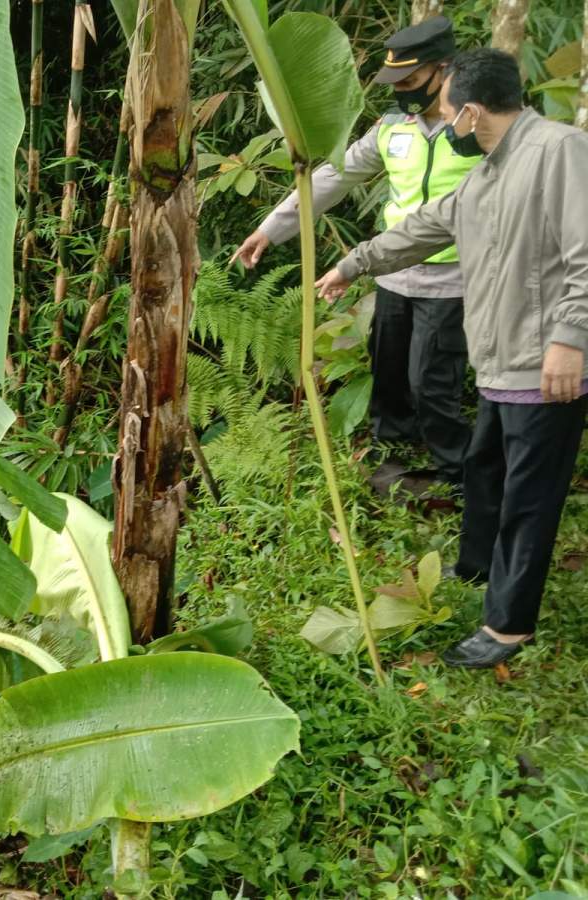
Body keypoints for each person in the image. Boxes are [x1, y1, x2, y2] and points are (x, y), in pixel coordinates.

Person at [316, 48, 588, 669]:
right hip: (500, 365)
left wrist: (571, 339)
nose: (445, 125)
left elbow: (586, 253)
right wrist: (350, 264)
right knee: (485, 474)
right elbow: (422, 229)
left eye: (446, 113)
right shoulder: (489, 172)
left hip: (545, 364)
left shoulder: (559, 152)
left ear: (468, 111)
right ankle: (475, 573)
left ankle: (508, 626)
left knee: (529, 497)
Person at [235, 16, 479, 488]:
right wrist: (271, 229)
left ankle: (457, 474)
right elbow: (334, 176)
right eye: (397, 82)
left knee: (431, 382)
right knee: (388, 376)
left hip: (454, 279)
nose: (402, 90)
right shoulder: (392, 128)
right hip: (392, 275)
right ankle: (393, 461)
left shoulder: (475, 126)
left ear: (443, 69)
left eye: (411, 80)